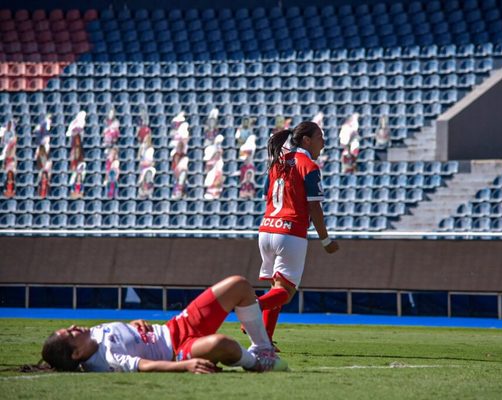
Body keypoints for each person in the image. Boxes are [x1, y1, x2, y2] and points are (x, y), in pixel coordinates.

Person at [39, 276, 287, 373]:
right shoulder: (106, 359)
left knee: (239, 285)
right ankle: (257, 364)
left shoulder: (92, 335)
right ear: (77, 353)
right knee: (224, 343)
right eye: (69, 333)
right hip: (178, 350)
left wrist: (133, 324)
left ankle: (262, 347)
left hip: (176, 325)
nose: (73, 326)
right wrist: (184, 365)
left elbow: (121, 333)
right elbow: (144, 365)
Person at [255, 121, 339, 348]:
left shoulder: (277, 162)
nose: (323, 142)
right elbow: (315, 208)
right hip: (290, 232)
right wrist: (326, 239)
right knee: (285, 293)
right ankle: (253, 307)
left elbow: (266, 196)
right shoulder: (308, 166)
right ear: (306, 140)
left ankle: (264, 341)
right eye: (320, 137)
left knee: (277, 289)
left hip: (266, 230)